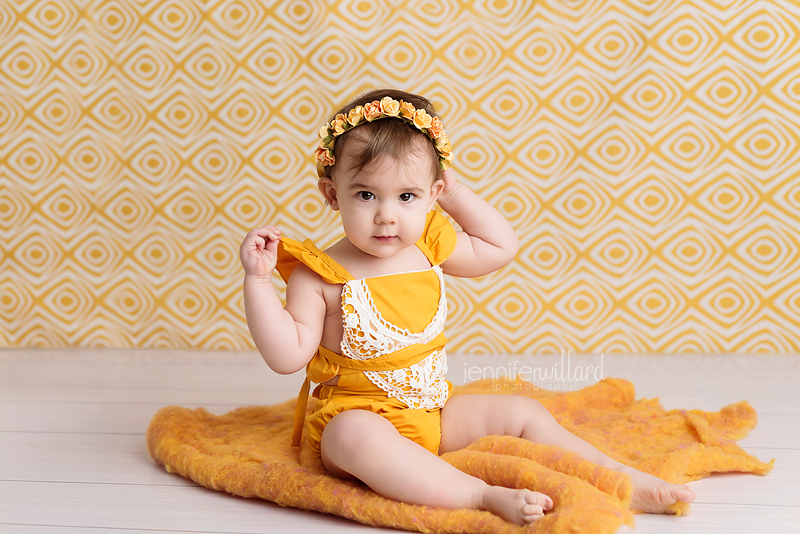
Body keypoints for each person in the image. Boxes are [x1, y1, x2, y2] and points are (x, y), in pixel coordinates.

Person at [239, 89, 695, 525]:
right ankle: (479, 495)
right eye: (365, 195)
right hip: (355, 419)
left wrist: (455, 195)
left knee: (522, 412)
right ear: (331, 194)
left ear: (432, 195)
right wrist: (258, 280)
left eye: (407, 196)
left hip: (433, 412)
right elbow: (287, 357)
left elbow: (500, 246)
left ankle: (617, 475)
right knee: (354, 437)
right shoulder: (319, 274)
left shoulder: (431, 243)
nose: (386, 215)